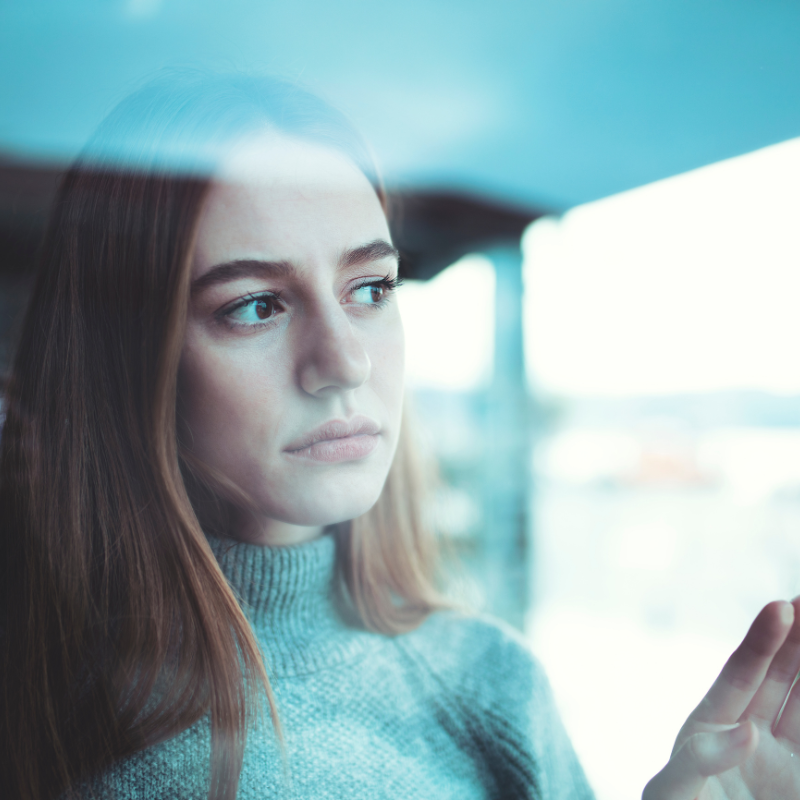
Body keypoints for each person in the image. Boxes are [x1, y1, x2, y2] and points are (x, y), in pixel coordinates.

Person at [0, 68, 798, 800]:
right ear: (123, 361)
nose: (344, 361)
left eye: (371, 287)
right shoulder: (42, 704)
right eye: (255, 305)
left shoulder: (489, 678)